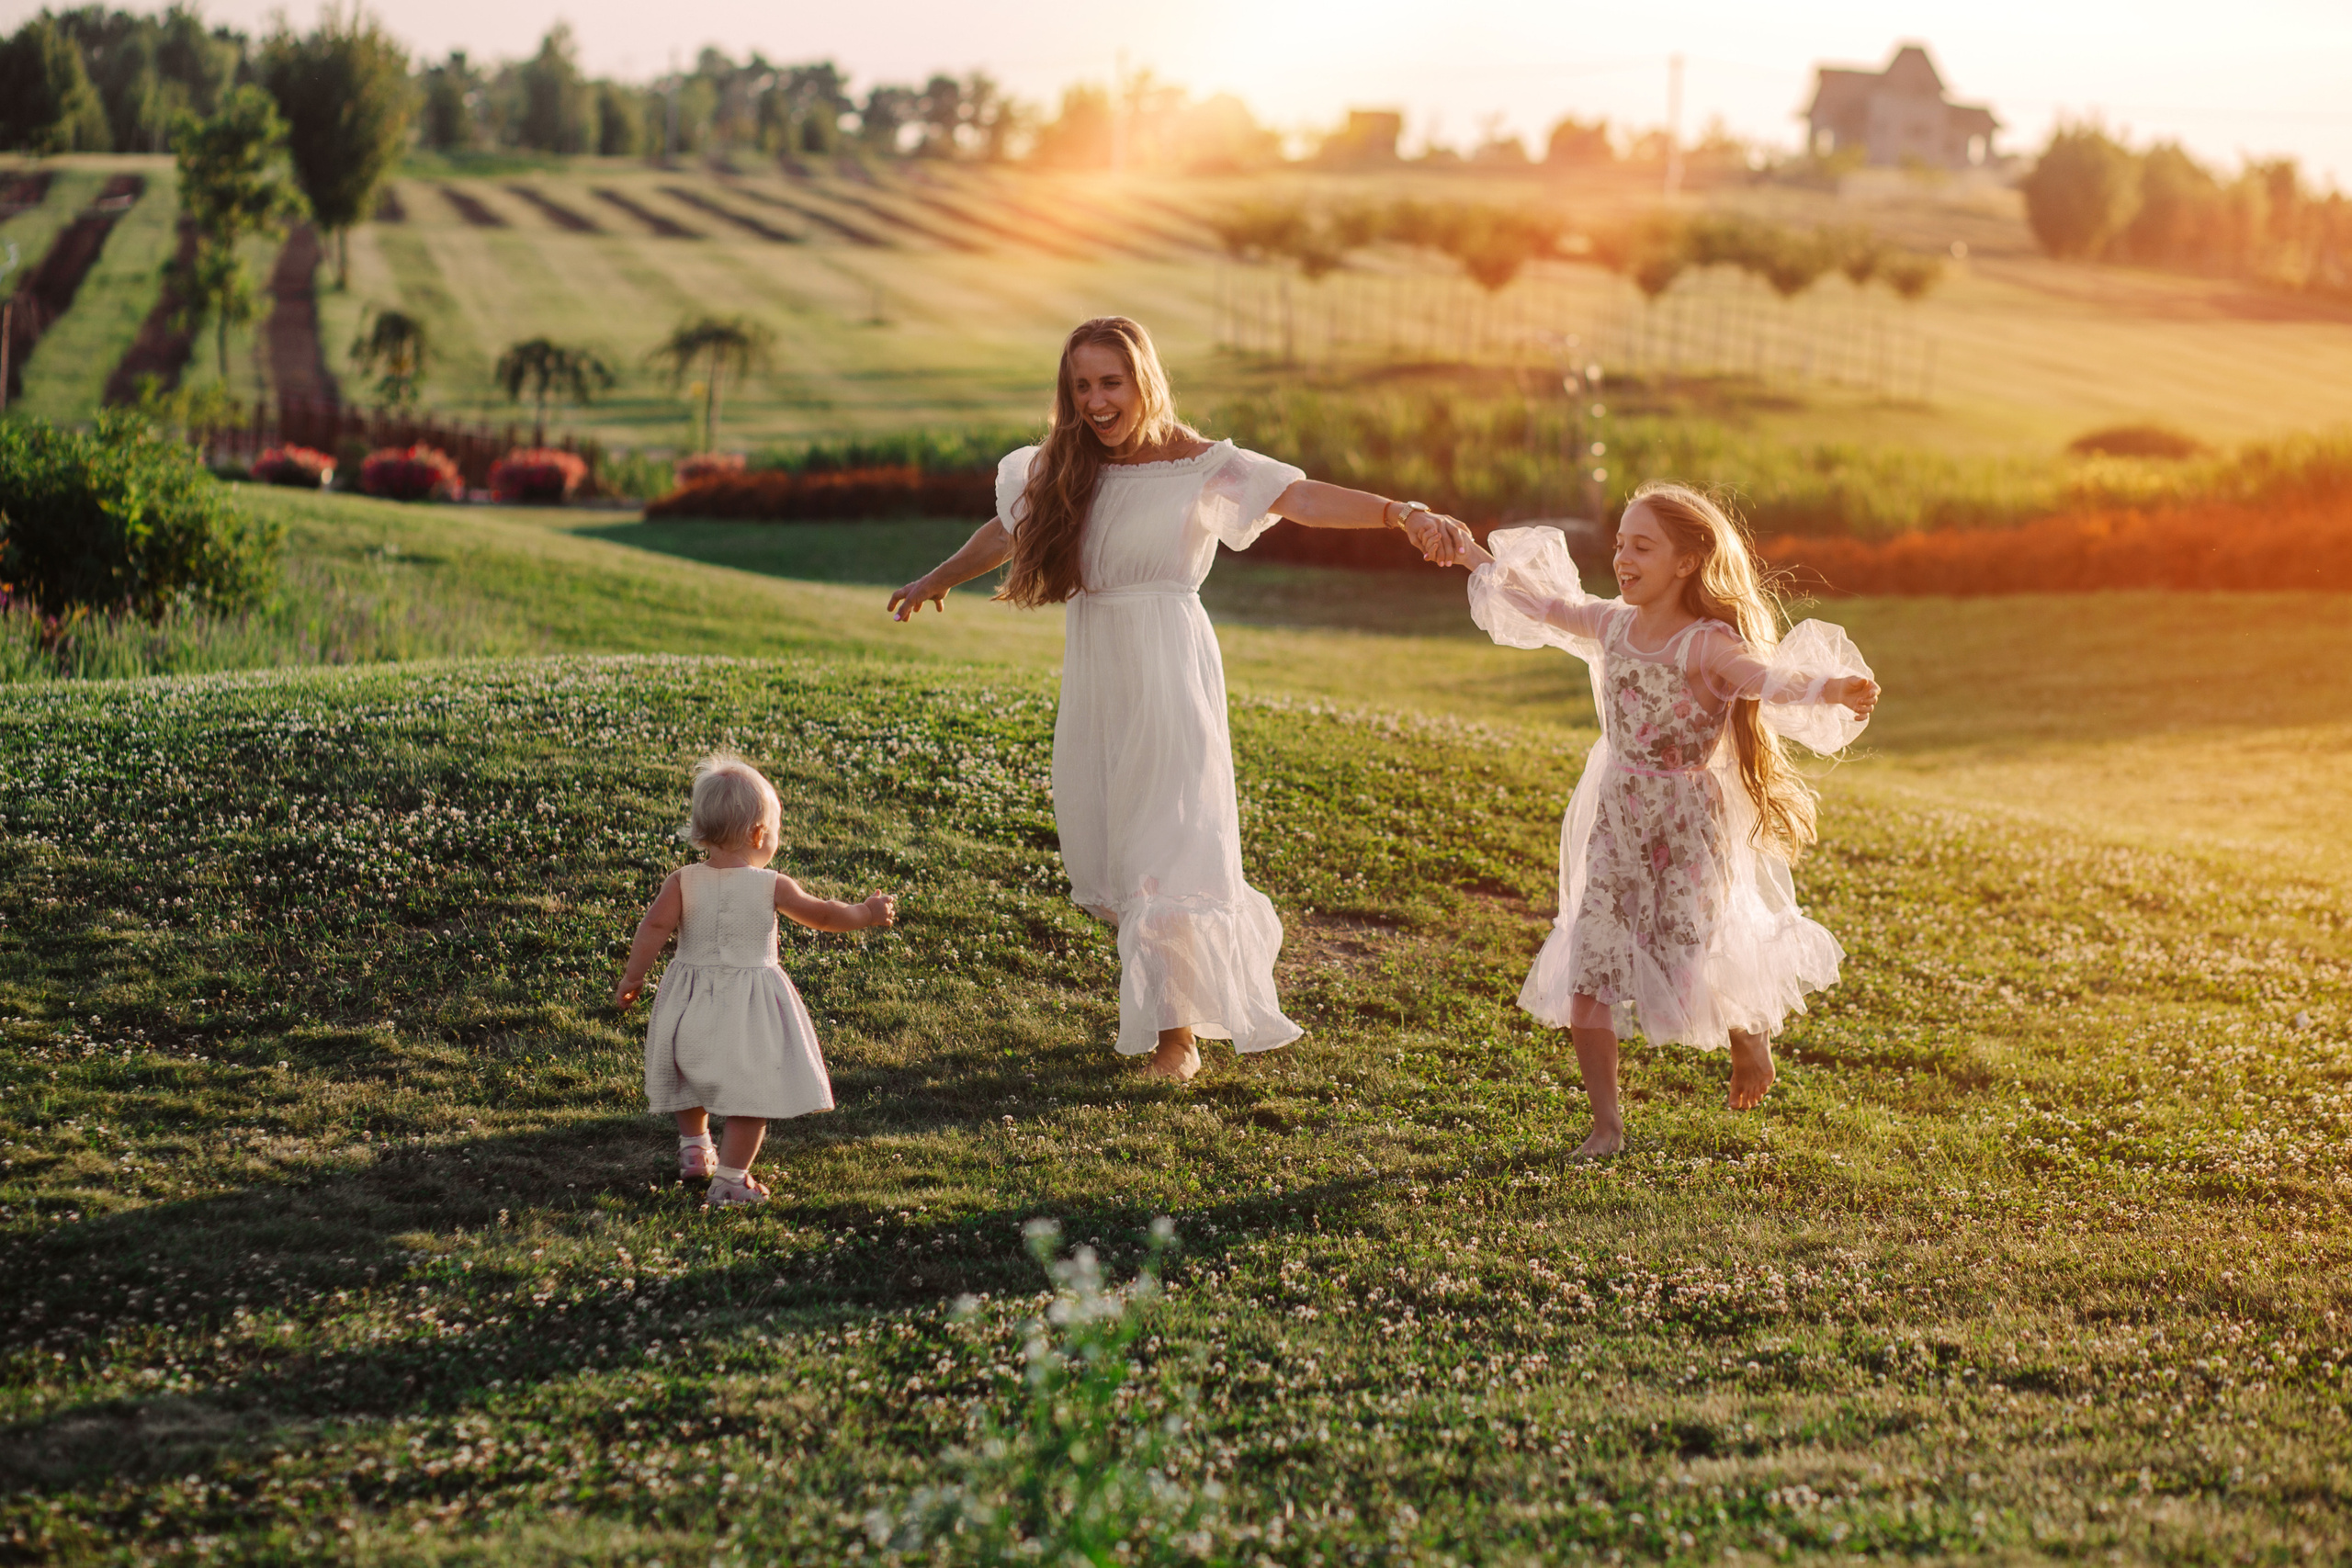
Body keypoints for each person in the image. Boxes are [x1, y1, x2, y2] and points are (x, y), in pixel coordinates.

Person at [888, 315, 1470, 1080]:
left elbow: (1299, 497)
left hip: (1169, 664)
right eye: (1082, 386)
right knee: (1118, 845)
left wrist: (1400, 513)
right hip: (1100, 669)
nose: (1096, 401)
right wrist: (938, 578)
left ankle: (1177, 1039)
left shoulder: (1202, 465)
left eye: (1111, 382)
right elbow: (1006, 532)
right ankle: (1168, 1013)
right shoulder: (1063, 465)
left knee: (1170, 846)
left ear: (1144, 380)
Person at [1446, 483, 1878, 1157]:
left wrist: (1830, 689)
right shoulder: (1613, 623)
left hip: (1686, 827)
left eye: (1642, 546)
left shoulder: (1706, 645)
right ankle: (1606, 1125)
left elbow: (1766, 679)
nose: (1623, 557)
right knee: (1590, 967)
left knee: (1689, 959)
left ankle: (1749, 1037)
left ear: (1686, 562)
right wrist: (1471, 554)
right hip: (1617, 815)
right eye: (1619, 543)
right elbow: (1542, 603)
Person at [615, 754, 897, 1206]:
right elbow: (823, 915)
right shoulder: (771, 884)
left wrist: (633, 977)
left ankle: (694, 1148)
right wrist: (865, 912)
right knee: (752, 1095)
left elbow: (653, 928)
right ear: (759, 834)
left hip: (689, 1004)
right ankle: (729, 1179)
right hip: (747, 1009)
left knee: (688, 1075)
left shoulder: (682, 881)